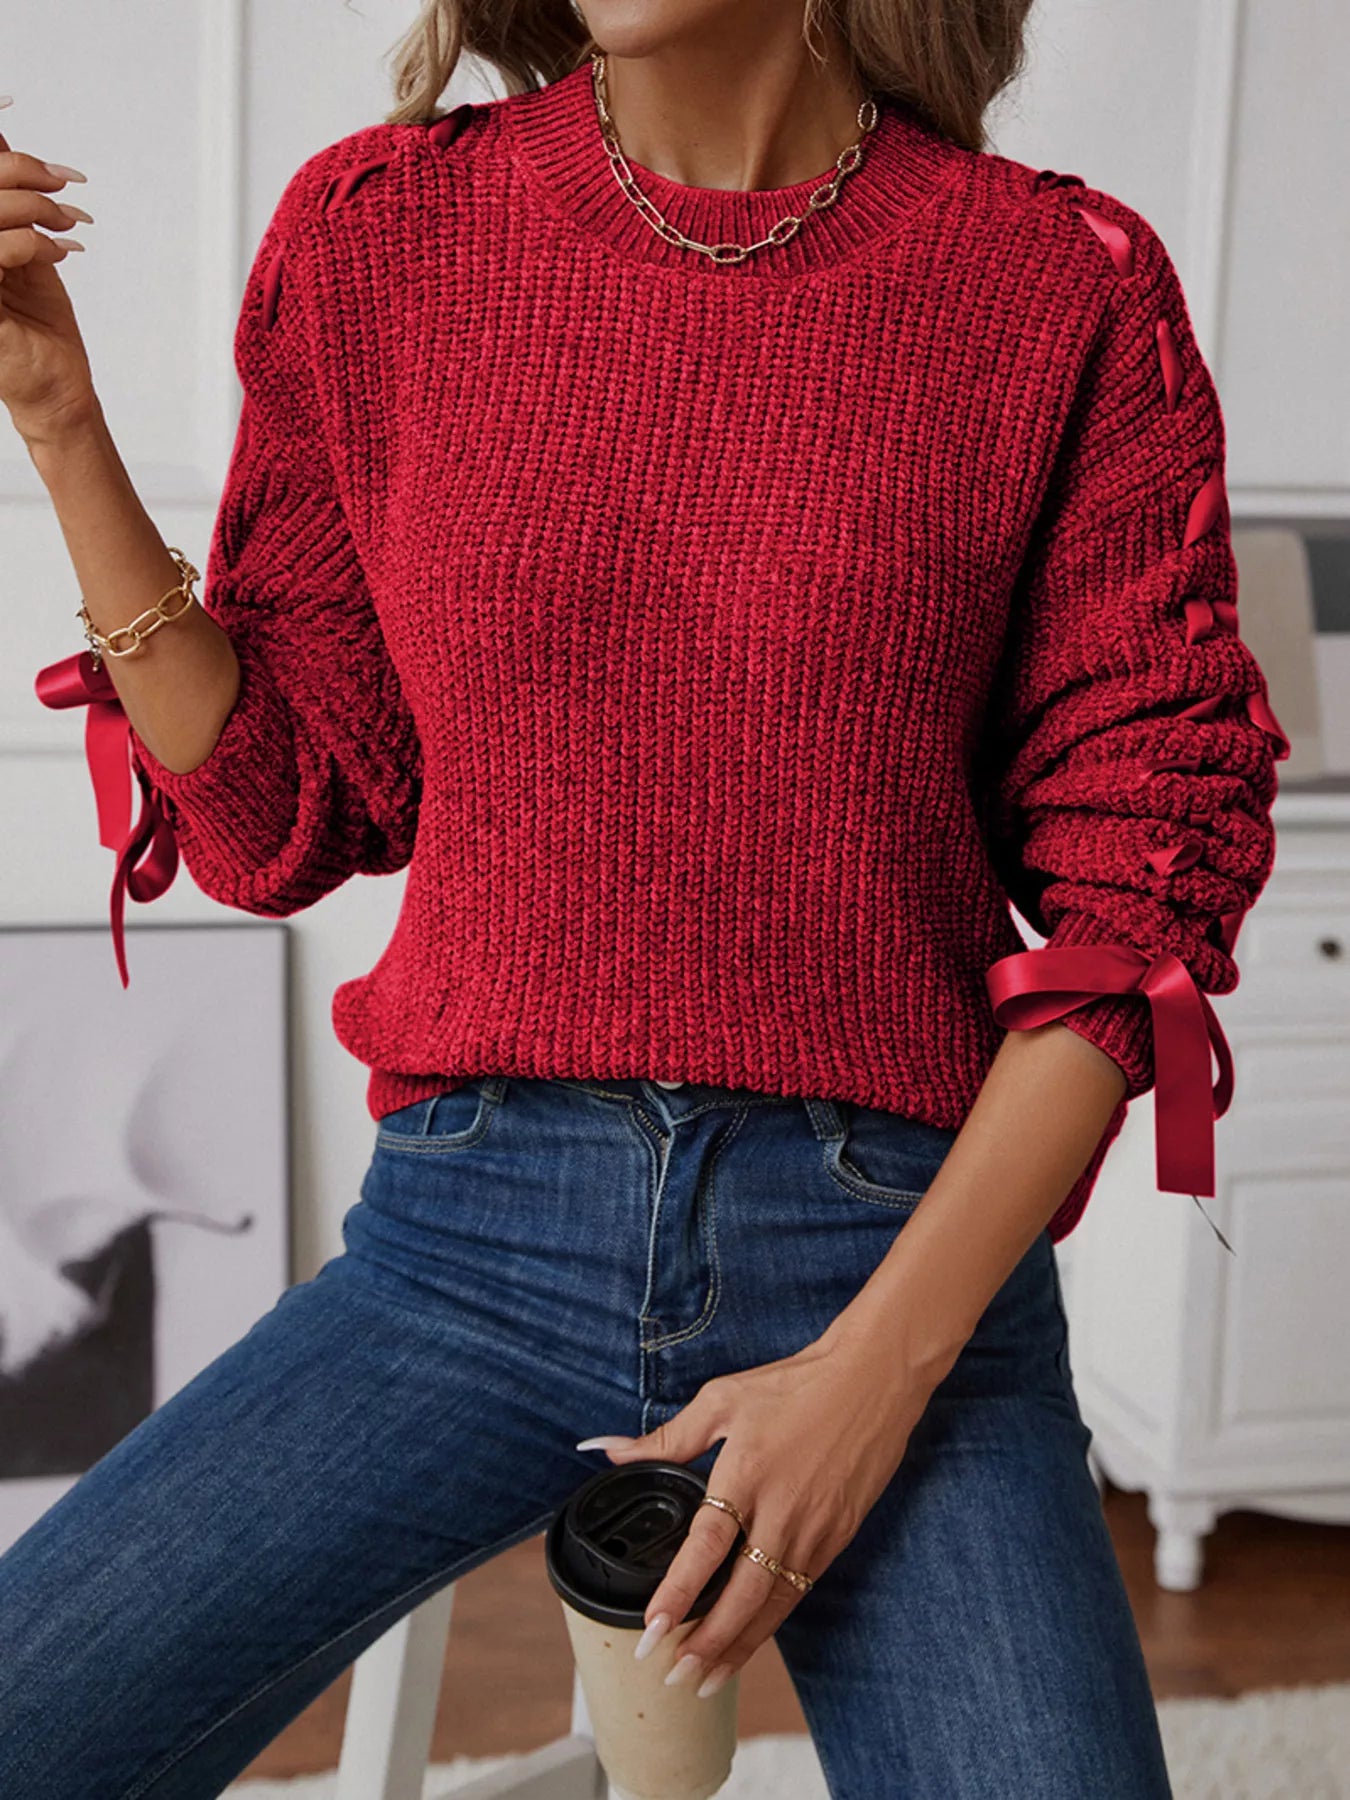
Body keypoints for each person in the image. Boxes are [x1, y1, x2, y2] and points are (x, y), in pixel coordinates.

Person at [0, 2, 1287, 1794]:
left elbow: (1138, 887)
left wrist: (873, 1380)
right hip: (471, 1241)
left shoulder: (1053, 284)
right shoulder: (380, 234)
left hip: (892, 1250)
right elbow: (286, 814)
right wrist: (58, 418)